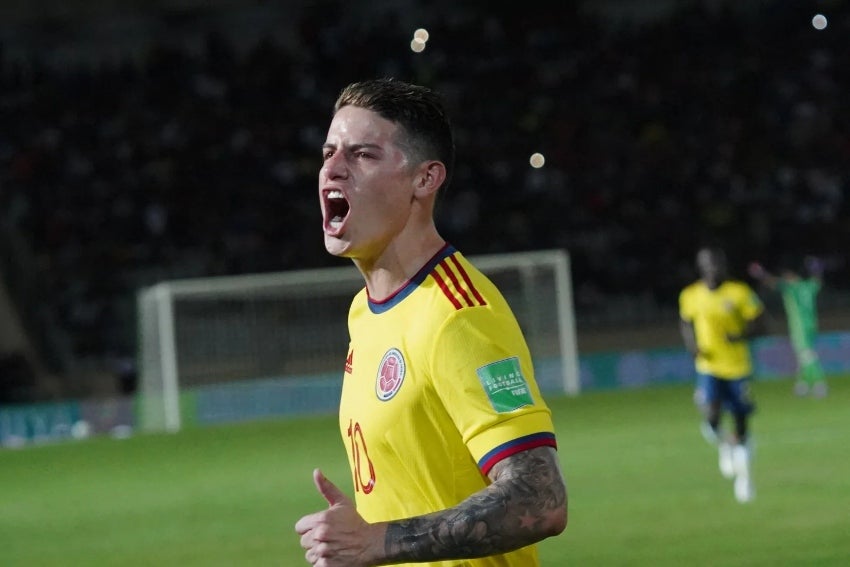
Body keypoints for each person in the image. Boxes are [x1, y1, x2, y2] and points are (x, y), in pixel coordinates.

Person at [294, 78, 567, 566]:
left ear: (425, 179)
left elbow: (538, 498)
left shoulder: (458, 315)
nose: (332, 169)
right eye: (329, 151)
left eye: (362, 155)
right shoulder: (366, 310)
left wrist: (376, 542)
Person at [679, 246, 766, 503]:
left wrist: (740, 335)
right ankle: (724, 444)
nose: (713, 268)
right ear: (701, 266)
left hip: (738, 368)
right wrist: (691, 345)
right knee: (712, 415)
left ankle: (745, 479)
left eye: (717, 263)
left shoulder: (739, 293)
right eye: (708, 263)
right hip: (709, 366)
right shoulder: (691, 295)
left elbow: (762, 324)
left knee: (741, 424)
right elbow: (685, 322)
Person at [748, 256, 828, 398]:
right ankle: (802, 385)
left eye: (786, 275)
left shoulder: (790, 288)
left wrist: (760, 273)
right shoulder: (808, 285)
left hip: (799, 328)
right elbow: (818, 281)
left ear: (791, 275)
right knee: (803, 356)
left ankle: (819, 383)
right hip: (812, 326)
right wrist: (817, 269)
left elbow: (772, 283)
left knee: (808, 356)